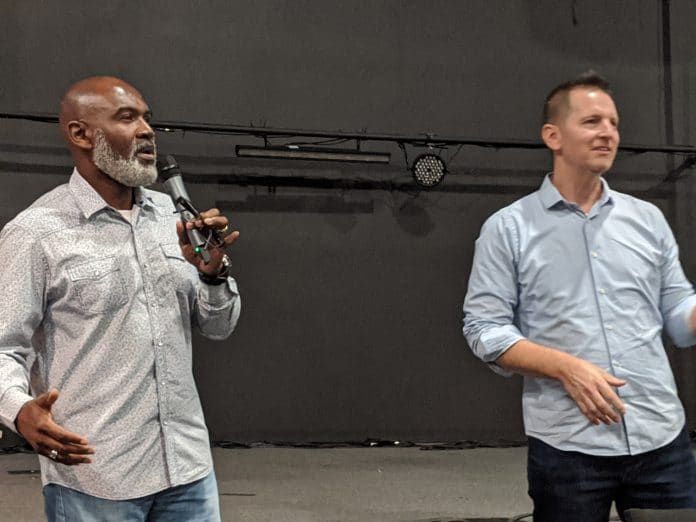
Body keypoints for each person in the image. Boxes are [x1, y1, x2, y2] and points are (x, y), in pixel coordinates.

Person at [0, 76, 241, 521]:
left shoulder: (172, 217)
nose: (147, 130)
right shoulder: (36, 234)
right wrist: (18, 412)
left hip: (188, 471)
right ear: (80, 134)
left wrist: (211, 274)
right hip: (97, 479)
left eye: (148, 117)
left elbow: (219, 326)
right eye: (127, 117)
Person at [463, 72, 696, 521]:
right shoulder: (509, 228)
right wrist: (565, 367)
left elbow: (677, 315)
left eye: (613, 123)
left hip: (661, 439)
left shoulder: (647, 220)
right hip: (569, 448)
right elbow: (484, 328)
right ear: (553, 135)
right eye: (592, 121)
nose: (608, 133)